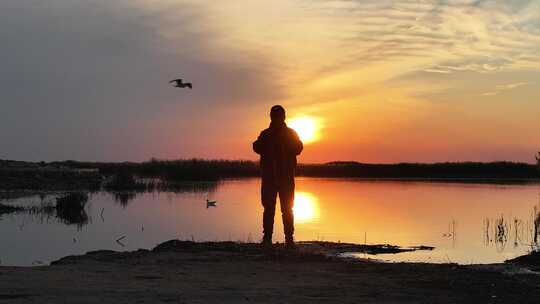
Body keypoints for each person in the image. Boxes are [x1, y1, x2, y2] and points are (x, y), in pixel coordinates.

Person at [253, 105, 303, 247]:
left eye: (279, 116)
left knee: (287, 209)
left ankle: (289, 239)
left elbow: (299, 147)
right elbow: (256, 147)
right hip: (269, 178)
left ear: (283, 117)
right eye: (274, 116)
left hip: (286, 178)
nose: (276, 119)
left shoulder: (291, 133)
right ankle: (267, 239)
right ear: (271, 117)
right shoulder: (265, 134)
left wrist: (286, 144)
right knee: (269, 208)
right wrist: (265, 144)